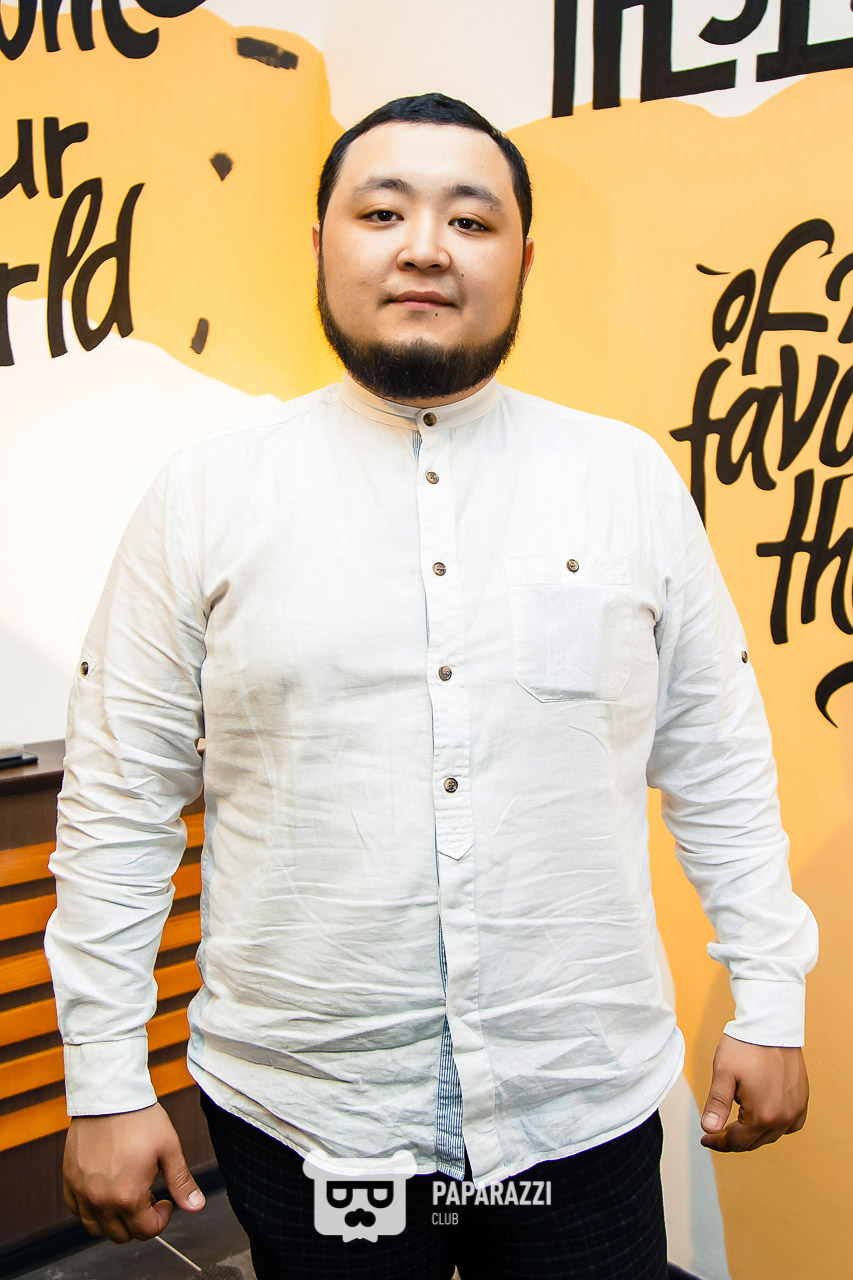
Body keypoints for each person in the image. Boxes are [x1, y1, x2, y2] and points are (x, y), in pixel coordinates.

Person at [45, 93, 818, 1280]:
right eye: (381, 212)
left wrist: (769, 999)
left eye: (469, 219)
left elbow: (717, 760)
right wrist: (103, 1076)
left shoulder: (625, 481)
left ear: (522, 259)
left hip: (577, 1102)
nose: (424, 247)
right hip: (310, 1109)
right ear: (320, 244)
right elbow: (119, 796)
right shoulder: (205, 494)